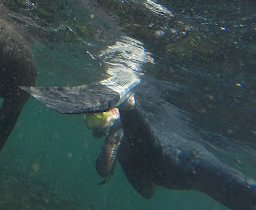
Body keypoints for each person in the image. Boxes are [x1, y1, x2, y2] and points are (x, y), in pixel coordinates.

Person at [25, 85, 256, 210]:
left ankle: (128, 103)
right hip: (179, 169)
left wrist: (114, 147)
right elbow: (145, 190)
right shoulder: (125, 149)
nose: (95, 129)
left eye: (96, 122)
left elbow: (141, 187)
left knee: (237, 190)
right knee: (234, 193)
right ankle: (128, 104)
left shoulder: (122, 139)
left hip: (177, 164)